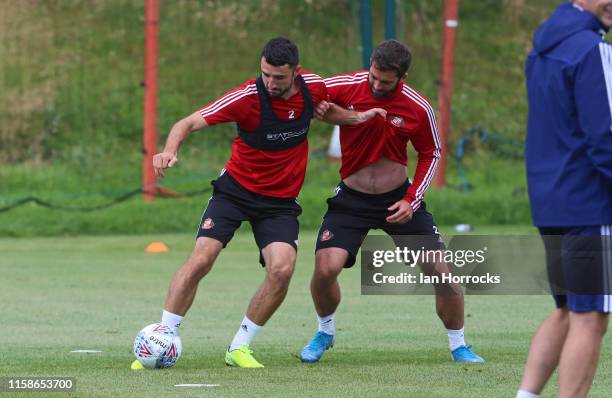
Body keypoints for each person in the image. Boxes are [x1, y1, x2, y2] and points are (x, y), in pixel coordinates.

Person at [144, 37, 384, 369]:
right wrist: (169, 150)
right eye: (266, 74)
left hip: (279, 203)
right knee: (202, 259)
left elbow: (326, 111)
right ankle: (162, 338)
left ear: (296, 73)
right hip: (234, 193)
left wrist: (355, 118)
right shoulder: (246, 97)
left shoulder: (313, 87)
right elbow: (186, 123)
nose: (270, 83)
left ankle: (239, 346)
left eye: (279, 77)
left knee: (282, 269)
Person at [298, 39, 485, 364]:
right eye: (373, 77)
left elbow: (432, 152)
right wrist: (330, 111)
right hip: (351, 200)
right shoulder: (347, 86)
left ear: (403, 77)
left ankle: (459, 345)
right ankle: (324, 331)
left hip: (399, 200)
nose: (377, 85)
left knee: (441, 273)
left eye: (385, 82)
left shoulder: (417, 106)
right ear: (369, 66)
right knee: (326, 268)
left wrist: (412, 200)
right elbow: (309, 91)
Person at [517, 1, 612, 397]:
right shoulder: (592, 48)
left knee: (566, 310)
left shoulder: (541, 50)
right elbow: (604, 136)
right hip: (589, 203)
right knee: (590, 317)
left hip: (550, 201)